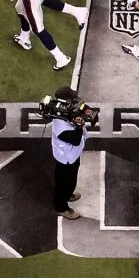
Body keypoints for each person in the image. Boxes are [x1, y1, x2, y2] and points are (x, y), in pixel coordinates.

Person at [50, 87, 92, 220]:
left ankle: (68, 194)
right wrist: (79, 126)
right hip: (65, 159)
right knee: (63, 184)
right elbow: (74, 140)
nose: (76, 100)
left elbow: (83, 109)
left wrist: (87, 111)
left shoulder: (67, 110)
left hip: (72, 155)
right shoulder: (60, 126)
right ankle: (61, 207)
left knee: (71, 179)